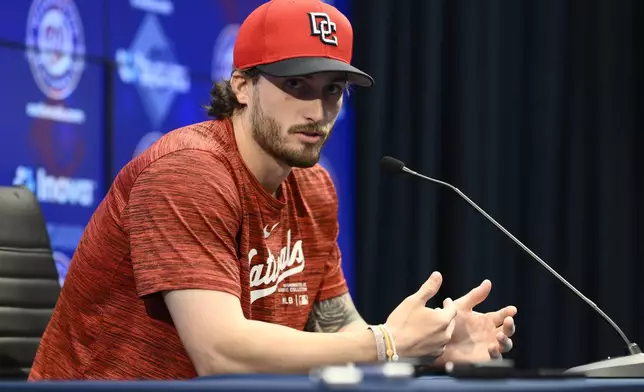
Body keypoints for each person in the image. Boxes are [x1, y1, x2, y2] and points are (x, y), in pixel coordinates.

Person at [29, 0, 517, 381]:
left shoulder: (314, 187)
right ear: (242, 86)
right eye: (297, 85)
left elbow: (341, 335)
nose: (317, 111)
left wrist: (429, 349)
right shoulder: (189, 171)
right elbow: (219, 353)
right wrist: (388, 343)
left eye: (332, 90)